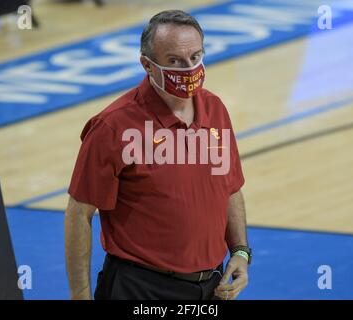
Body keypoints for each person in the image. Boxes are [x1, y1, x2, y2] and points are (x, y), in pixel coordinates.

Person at [65, 9, 251, 300]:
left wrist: (240, 251)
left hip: (213, 286)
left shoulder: (216, 110)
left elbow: (230, 189)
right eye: (174, 61)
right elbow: (79, 212)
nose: (189, 69)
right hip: (141, 288)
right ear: (148, 66)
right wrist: (80, 295)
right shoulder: (112, 126)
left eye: (196, 57)